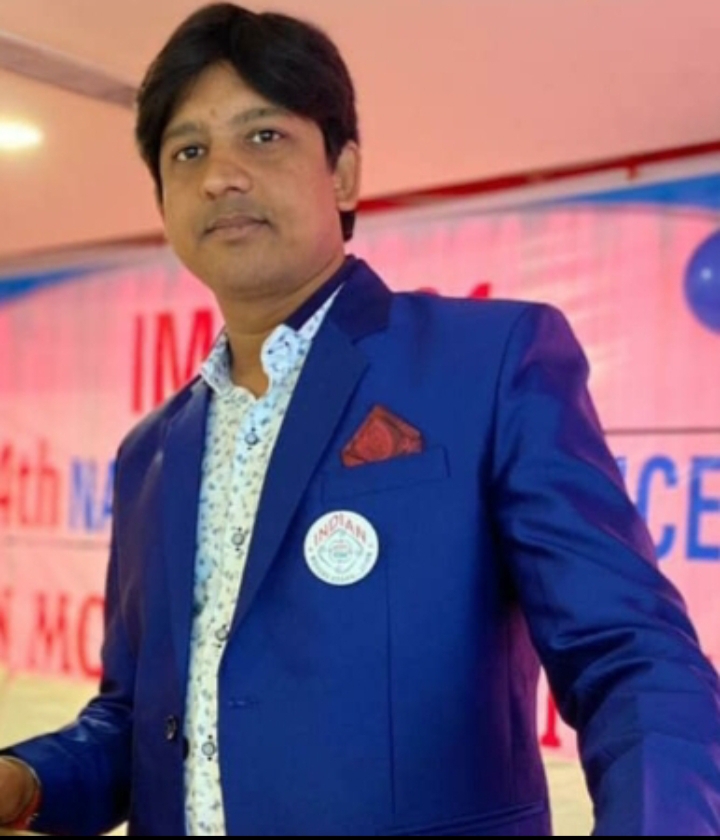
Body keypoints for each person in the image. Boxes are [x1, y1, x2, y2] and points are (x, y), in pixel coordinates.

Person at [1, 2, 719, 835]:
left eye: (263, 136)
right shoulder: (151, 453)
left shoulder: (488, 364)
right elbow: (140, 722)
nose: (221, 175)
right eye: (187, 151)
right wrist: (26, 779)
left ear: (341, 173)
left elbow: (632, 660)